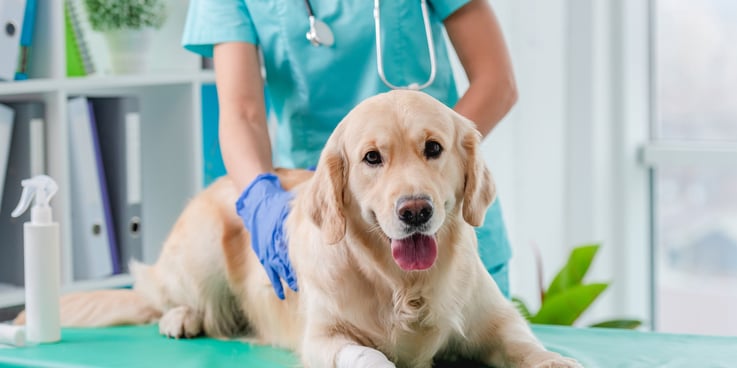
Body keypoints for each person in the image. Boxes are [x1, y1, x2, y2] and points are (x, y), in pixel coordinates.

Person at [182, 0, 517, 300]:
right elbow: (242, 113)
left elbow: (496, 82)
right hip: (328, 219)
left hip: (443, 224)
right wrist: (259, 199)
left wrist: (439, 153)